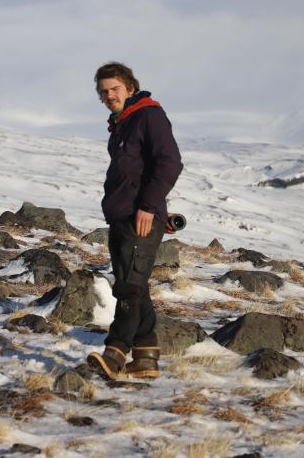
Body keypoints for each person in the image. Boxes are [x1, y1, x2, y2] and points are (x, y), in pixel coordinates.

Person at [87, 62, 183, 380]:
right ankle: (145, 357)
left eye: (114, 89)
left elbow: (169, 162)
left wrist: (149, 206)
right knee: (135, 288)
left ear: (130, 87)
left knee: (129, 288)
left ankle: (115, 354)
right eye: (103, 92)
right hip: (122, 217)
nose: (109, 95)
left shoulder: (148, 116)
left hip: (140, 217)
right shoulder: (122, 123)